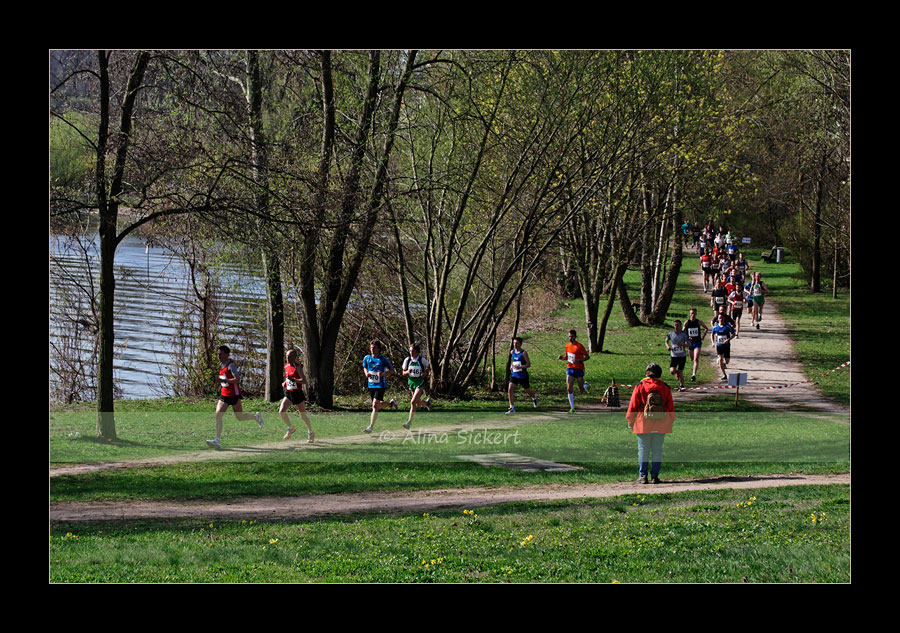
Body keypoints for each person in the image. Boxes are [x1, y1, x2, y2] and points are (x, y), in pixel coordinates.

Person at [625, 363, 675, 484]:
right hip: (661, 424)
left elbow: (633, 406)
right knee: (657, 450)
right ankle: (655, 476)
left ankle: (643, 476)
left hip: (643, 424)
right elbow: (670, 408)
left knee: (643, 450)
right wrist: (669, 422)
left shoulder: (640, 386)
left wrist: (630, 421)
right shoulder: (665, 388)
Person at [206, 345, 264, 449]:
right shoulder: (221, 365)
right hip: (224, 395)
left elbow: (237, 379)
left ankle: (255, 417)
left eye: (220, 354)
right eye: (218, 354)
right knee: (218, 415)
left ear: (227, 354)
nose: (218, 356)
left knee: (240, 417)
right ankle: (217, 440)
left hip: (233, 395)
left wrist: (225, 381)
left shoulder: (230, 366)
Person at [279, 348, 314, 442]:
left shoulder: (297, 367)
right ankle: (290, 428)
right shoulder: (286, 366)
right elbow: (287, 377)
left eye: (289, 356)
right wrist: (285, 382)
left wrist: (294, 380)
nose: (287, 358)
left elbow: (304, 381)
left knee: (303, 416)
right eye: (286, 356)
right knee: (281, 411)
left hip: (297, 393)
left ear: (294, 357)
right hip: (289, 393)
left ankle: (310, 432)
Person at [362, 340, 396, 434]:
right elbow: (365, 367)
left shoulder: (382, 360)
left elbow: (392, 371)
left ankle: (370, 427)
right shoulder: (367, 358)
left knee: (375, 405)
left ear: (378, 349)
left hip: (380, 385)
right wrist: (366, 373)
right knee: (377, 406)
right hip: (371, 385)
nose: (372, 350)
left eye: (374, 348)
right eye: (371, 348)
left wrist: (383, 374)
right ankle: (391, 404)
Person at [401, 343, 431, 430]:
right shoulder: (407, 360)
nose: (411, 353)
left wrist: (425, 373)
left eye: (413, 351)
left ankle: (409, 423)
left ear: (417, 352)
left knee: (413, 402)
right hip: (411, 383)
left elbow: (429, 367)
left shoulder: (422, 360)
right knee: (417, 403)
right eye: (410, 351)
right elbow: (403, 372)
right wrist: (407, 372)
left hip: (419, 382)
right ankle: (427, 403)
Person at [558, 330, 590, 413]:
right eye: (569, 336)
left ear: (575, 337)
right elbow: (567, 357)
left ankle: (586, 386)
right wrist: (562, 358)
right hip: (570, 368)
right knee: (569, 388)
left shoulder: (579, 346)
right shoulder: (567, 346)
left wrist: (579, 360)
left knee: (581, 391)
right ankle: (572, 408)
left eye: (571, 336)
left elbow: (587, 357)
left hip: (579, 369)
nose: (570, 338)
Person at [507, 336, 539, 414]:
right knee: (510, 389)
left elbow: (528, 364)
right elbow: (514, 361)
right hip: (515, 375)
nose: (515, 344)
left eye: (517, 343)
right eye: (514, 343)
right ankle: (512, 408)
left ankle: (534, 397)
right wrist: (512, 366)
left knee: (527, 390)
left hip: (523, 375)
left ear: (520, 344)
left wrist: (520, 367)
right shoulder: (512, 352)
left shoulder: (523, 353)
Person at [684, 308, 708, 382]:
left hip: (697, 342)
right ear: (689, 314)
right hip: (690, 343)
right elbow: (683, 332)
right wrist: (687, 338)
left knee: (696, 359)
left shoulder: (699, 322)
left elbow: (706, 328)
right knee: (691, 358)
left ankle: (693, 374)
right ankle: (693, 369)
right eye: (691, 313)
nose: (693, 315)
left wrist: (703, 336)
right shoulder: (687, 322)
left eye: (694, 313)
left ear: (696, 314)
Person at [711, 313, 737, 381]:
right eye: (720, 318)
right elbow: (712, 334)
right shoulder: (716, 327)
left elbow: (734, 334)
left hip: (726, 346)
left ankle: (723, 363)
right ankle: (724, 374)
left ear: (724, 319)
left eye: (722, 318)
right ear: (718, 319)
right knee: (720, 359)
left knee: (727, 361)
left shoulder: (727, 326)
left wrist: (728, 339)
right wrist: (713, 342)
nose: (721, 319)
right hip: (719, 346)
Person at [665, 320, 690, 391]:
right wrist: (668, 346)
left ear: (680, 326)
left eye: (677, 325)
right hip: (674, 356)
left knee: (680, 371)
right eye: (675, 325)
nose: (676, 327)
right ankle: (677, 373)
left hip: (682, 356)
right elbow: (666, 341)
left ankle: (682, 385)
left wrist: (682, 344)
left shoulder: (684, 334)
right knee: (672, 371)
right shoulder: (671, 334)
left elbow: (689, 344)